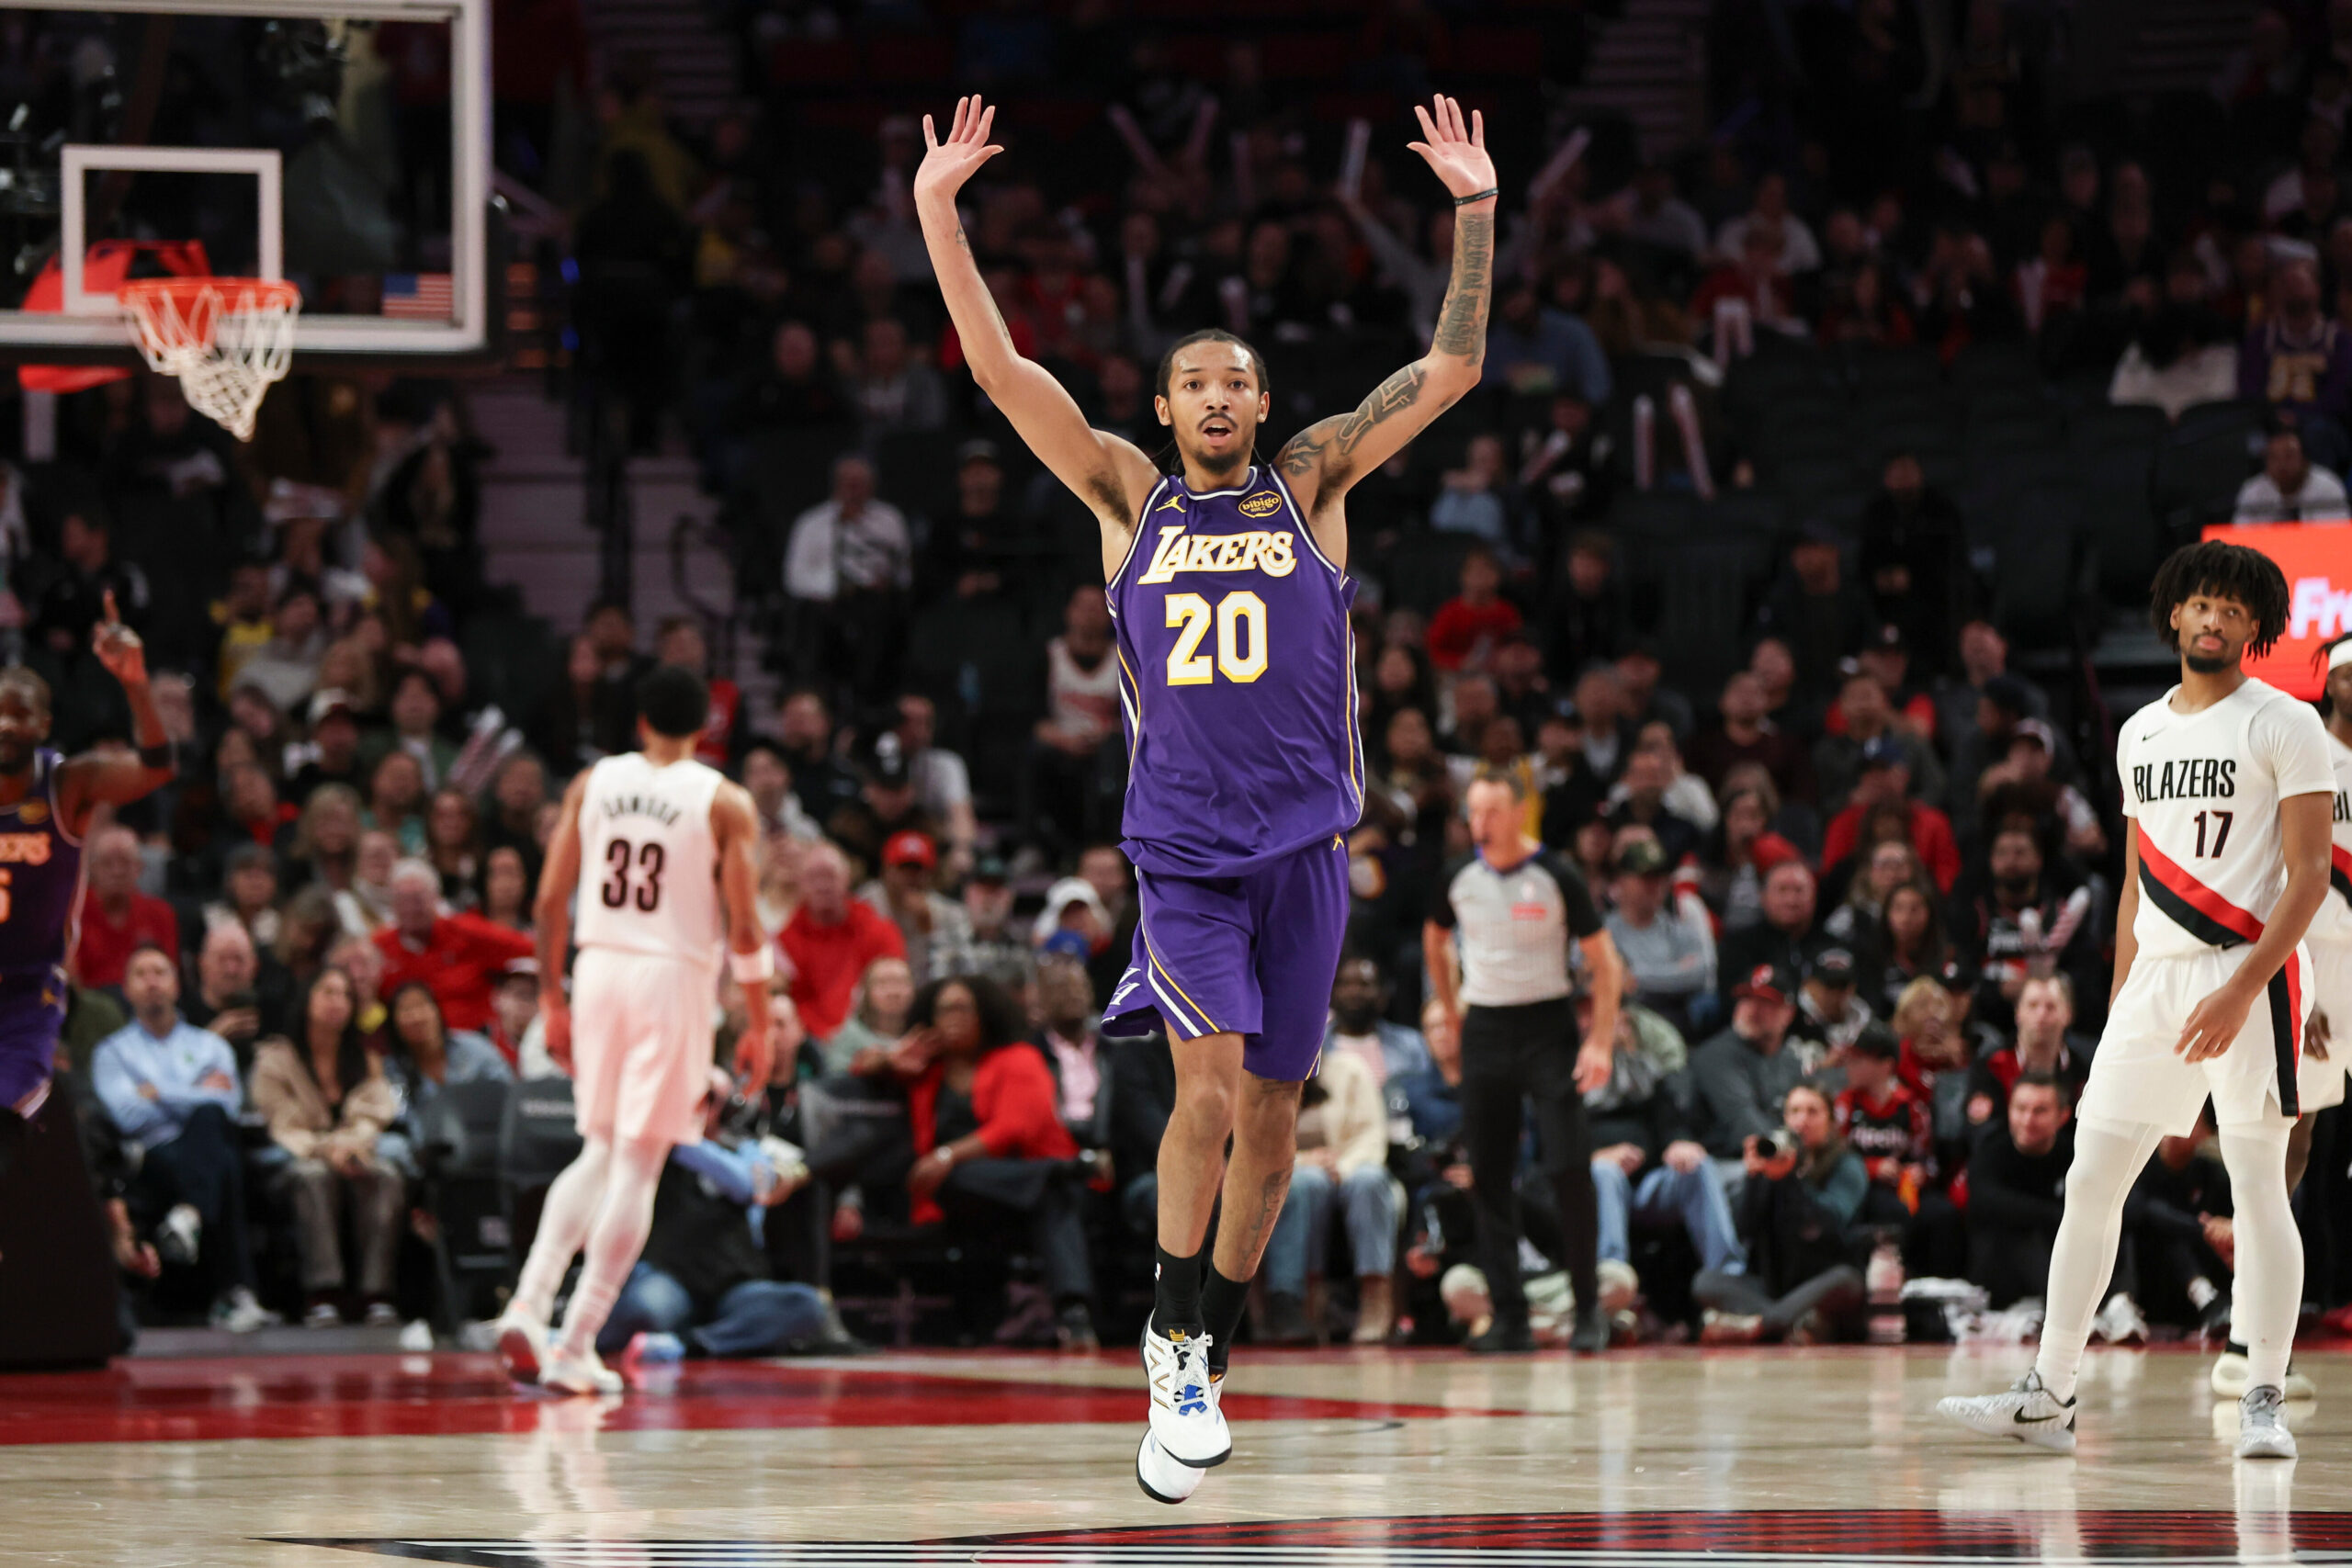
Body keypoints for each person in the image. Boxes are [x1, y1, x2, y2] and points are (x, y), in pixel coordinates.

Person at [918, 91, 1500, 1502]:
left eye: (1241, 378)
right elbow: (999, 371)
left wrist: (1475, 215)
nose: (1226, 398)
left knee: (1277, 1115)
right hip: (1181, 851)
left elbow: (1453, 368)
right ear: (1169, 406)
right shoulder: (1125, 494)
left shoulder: (1312, 478)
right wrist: (940, 211)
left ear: (1258, 398)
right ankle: (1169, 1339)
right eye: (1201, 383)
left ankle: (1204, 1338)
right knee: (1208, 1087)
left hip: (1306, 844)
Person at [1940, 541, 2329, 1461]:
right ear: (2171, 615)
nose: (2211, 618)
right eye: (2198, 602)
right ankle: (2050, 1394)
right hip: (2154, 979)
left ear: (2254, 628)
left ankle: (2262, 1396)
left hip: (2253, 971)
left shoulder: (2285, 723)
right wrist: (2119, 1003)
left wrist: (2242, 990)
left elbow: (2309, 878)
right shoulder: (2137, 732)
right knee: (2090, 1176)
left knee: (2258, 1186)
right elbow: (2131, 886)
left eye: (2232, 609)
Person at [493, 665, 775, 1397]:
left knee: (598, 1149)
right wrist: (762, 1020)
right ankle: (576, 1339)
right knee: (639, 1166)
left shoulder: (593, 782)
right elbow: (744, 926)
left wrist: (554, 1000)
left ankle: (528, 1301)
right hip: (670, 975)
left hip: (598, 968)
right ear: (705, 727)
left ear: (640, 722)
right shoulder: (724, 799)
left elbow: (551, 901)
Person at [1424, 771, 1624, 1355]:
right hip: (1486, 1026)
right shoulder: (1457, 876)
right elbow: (1435, 941)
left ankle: (1589, 1310)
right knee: (1488, 1174)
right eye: (1474, 811)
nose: (1480, 822)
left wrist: (1600, 1043)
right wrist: (1451, 1011)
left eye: (1492, 810)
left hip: (1549, 1027)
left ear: (1519, 813)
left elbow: (1605, 964)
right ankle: (1510, 1318)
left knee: (1568, 1165)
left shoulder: (1556, 874)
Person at [0, 594, 174, 1164]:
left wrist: (136, 684)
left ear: (43, 725)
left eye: (19, 713)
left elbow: (157, 767)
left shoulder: (67, 784)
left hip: (26, 994)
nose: (5, 723)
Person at [90, 945, 272, 1332]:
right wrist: (195, 1090)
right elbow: (127, 1116)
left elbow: (229, 1103)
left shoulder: (210, 1045)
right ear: (126, 989)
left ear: (177, 984)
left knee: (213, 1130)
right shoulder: (112, 1052)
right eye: (142, 974)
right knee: (219, 1154)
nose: (152, 981)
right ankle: (235, 1291)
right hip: (150, 1155)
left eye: (160, 972)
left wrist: (157, 1092)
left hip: (198, 1145)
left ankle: (189, 1215)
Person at [595, 1067, 829, 1364]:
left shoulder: (745, 1151)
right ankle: (674, 1336)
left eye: (705, 1097)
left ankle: (690, 1344)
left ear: (728, 1107)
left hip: (733, 1286)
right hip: (671, 1277)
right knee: (644, 1309)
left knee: (806, 1306)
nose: (693, 1105)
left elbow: (750, 1185)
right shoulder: (650, 1150)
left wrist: (679, 1138)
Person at [249, 967, 405, 1327]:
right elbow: (284, 1125)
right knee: (314, 1175)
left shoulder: (365, 1059)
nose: (338, 1003)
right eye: (328, 993)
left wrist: (351, 1147)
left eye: (345, 995)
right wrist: (330, 1150)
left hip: (354, 1153)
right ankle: (324, 1294)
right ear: (307, 1000)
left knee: (386, 1174)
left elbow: (376, 1113)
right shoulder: (275, 1059)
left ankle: (376, 1294)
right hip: (295, 1158)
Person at [1693, 1082, 1868, 1344]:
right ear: (1784, 1119)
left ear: (1831, 1121)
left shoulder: (1847, 1164)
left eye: (1813, 1112)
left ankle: (1758, 1325)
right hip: (1774, 1288)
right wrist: (1754, 1178)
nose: (1802, 1120)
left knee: (1847, 1281)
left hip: (1822, 1281)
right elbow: (1744, 1230)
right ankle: (1787, 1322)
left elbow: (1828, 1223)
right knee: (1705, 1281)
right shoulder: (1772, 1163)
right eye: (1795, 1111)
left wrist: (1791, 1180)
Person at [1259, 1045, 1397, 1345]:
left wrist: (1341, 1168)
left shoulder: (1350, 1067)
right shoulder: (1265, 1067)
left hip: (1352, 1165)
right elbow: (1257, 1144)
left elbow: (1372, 1134)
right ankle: (1310, 1298)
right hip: (1296, 1171)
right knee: (1308, 1183)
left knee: (1369, 1180)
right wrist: (1307, 1162)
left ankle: (1375, 1296)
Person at [374, 860, 536, 1033]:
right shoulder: (379, 948)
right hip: (410, 1048)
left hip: (477, 1038)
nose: (411, 909)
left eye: (418, 899)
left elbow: (530, 948)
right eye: (403, 900)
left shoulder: (465, 931)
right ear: (392, 904)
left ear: (436, 899)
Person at [74, 824, 179, 991]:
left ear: (139, 868)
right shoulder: (74, 912)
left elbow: (168, 973)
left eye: (125, 862)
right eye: (107, 863)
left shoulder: (161, 913)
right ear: (92, 869)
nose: (117, 871)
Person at [2233, 419, 2350, 522]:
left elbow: (2339, 537)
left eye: (2289, 456)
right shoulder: (2252, 492)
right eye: (2274, 458)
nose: (2282, 464)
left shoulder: (2328, 488)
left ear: (2305, 459)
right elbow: (2238, 538)